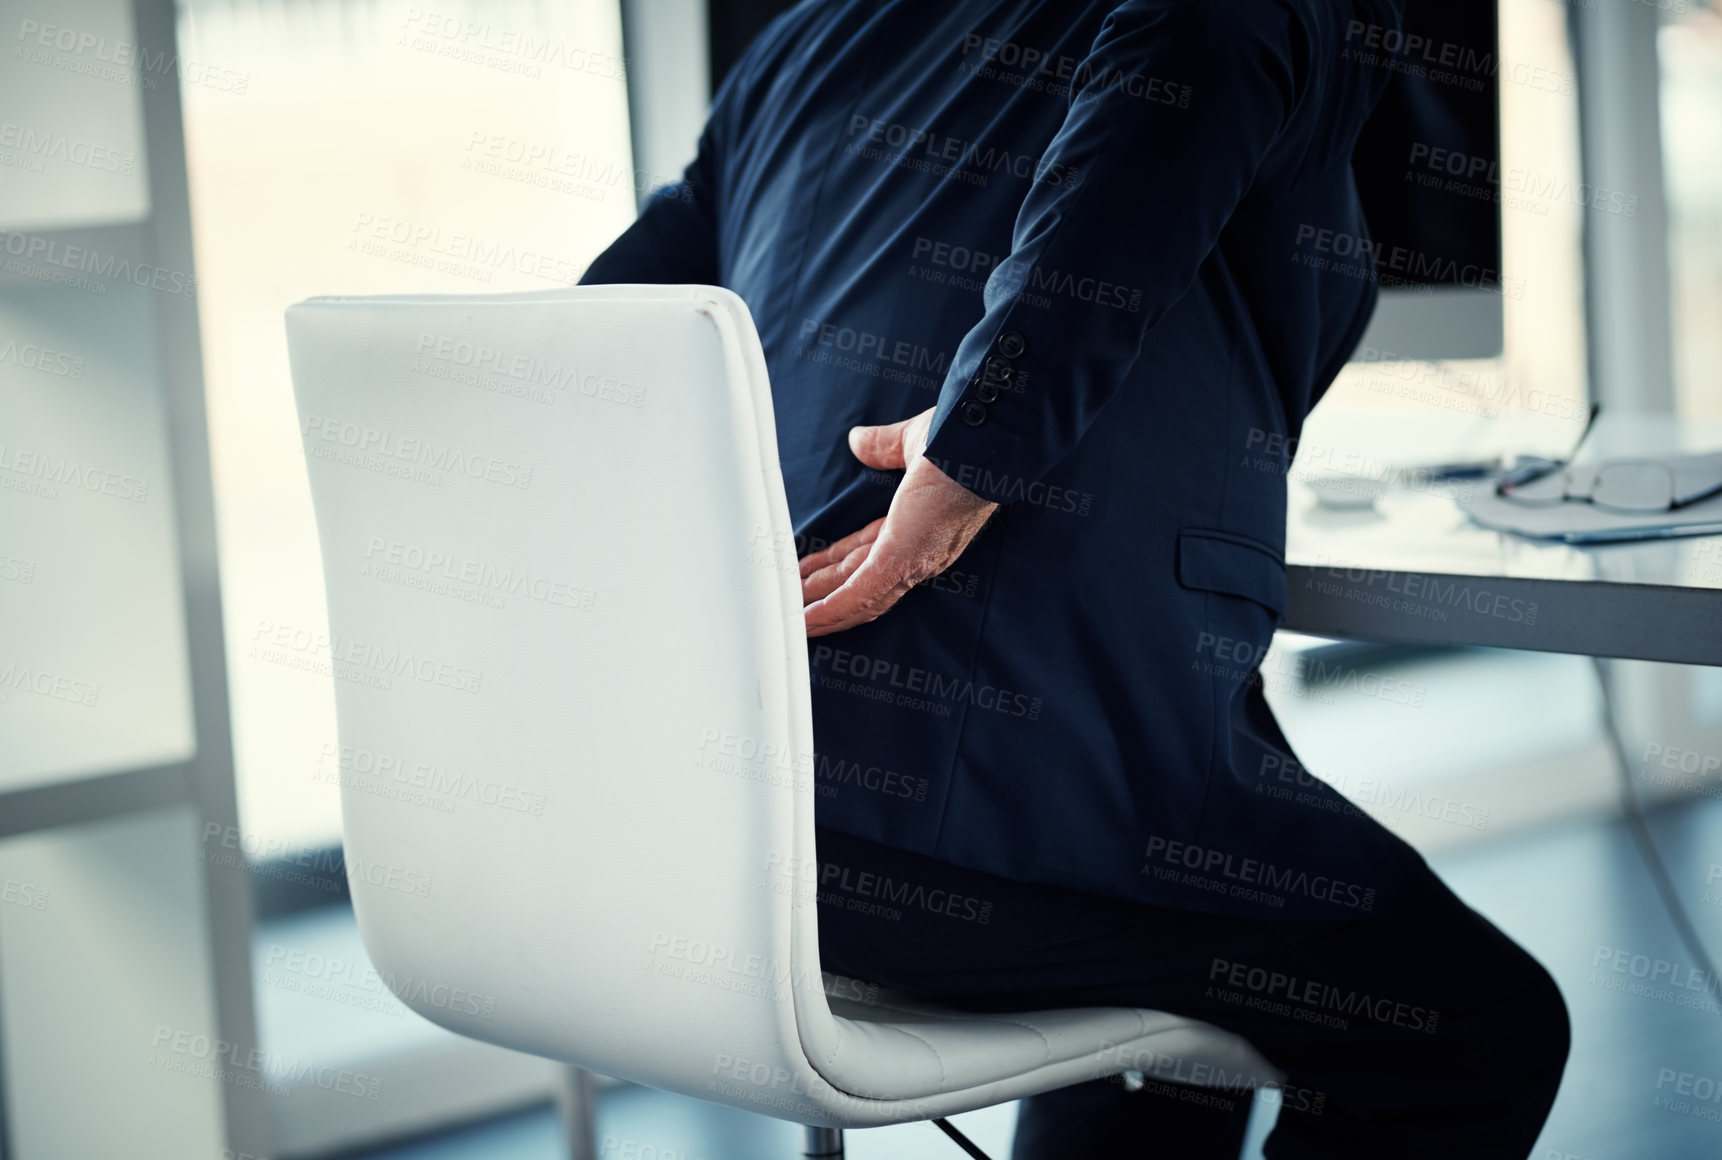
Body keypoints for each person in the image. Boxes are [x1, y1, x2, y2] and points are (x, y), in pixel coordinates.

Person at [580, 1, 1570, 1154]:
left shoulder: (804, 39)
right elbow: (1207, 41)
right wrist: (973, 450)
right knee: (1476, 1027)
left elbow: (598, 342)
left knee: (1178, 1037)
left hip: (700, 806)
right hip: (952, 798)